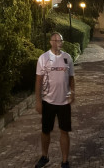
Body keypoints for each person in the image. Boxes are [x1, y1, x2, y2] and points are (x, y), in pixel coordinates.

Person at [35, 32, 75, 168]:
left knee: (64, 131)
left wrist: (72, 92)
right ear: (51, 42)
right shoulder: (43, 58)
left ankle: (65, 161)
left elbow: (71, 78)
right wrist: (38, 101)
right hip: (48, 102)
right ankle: (44, 156)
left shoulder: (67, 58)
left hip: (64, 102)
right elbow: (38, 81)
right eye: (56, 40)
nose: (59, 42)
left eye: (61, 40)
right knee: (45, 131)